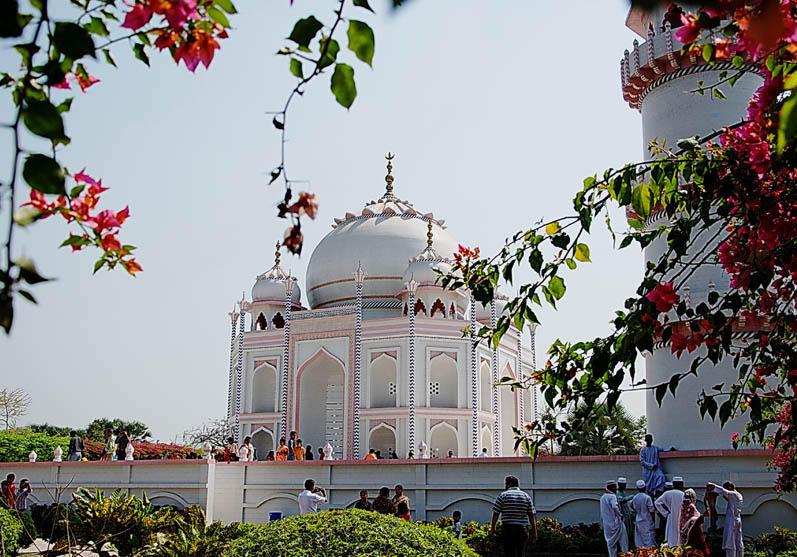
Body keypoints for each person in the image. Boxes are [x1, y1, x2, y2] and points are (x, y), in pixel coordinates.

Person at [491, 475, 538, 557]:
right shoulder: (526, 496)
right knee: (521, 552)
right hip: (521, 529)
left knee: (509, 552)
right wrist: (534, 532)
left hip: (508, 529)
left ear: (508, 484)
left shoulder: (503, 495)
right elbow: (531, 516)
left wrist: (493, 528)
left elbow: (496, 513)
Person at [708, 481, 743, 557]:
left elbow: (722, 491)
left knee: (730, 542)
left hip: (732, 521)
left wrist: (712, 486)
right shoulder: (738, 495)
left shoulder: (734, 494)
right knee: (737, 542)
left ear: (730, 488)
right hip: (737, 519)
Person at [601, 480, 629, 557]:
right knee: (623, 542)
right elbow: (614, 507)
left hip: (607, 524)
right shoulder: (612, 496)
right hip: (617, 522)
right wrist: (620, 515)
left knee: (611, 544)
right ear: (610, 487)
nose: (616, 488)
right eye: (614, 487)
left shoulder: (603, 497)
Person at [655, 476, 686, 547]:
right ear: (679, 484)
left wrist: (665, 513)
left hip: (671, 517)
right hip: (681, 518)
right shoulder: (683, 495)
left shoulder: (667, 493)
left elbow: (657, 503)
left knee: (670, 536)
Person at [678, 488, 709, 556]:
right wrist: (703, 516)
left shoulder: (682, 506)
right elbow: (694, 520)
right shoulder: (691, 507)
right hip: (692, 533)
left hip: (684, 532)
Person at [630, 480, 656, 548]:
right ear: (645, 487)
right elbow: (651, 510)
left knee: (639, 539)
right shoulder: (647, 497)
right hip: (647, 520)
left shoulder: (635, 497)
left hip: (638, 520)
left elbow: (631, 505)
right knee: (649, 540)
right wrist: (653, 520)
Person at [616, 477, 635, 548]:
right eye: (623, 485)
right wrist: (629, 497)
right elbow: (621, 500)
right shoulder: (618, 493)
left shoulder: (623, 493)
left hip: (627, 515)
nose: (625, 486)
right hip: (623, 516)